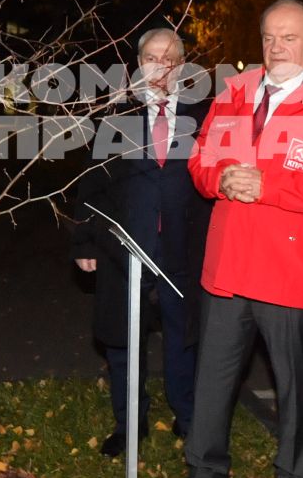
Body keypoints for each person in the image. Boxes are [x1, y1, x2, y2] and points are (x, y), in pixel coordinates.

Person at [163, 0, 303, 478]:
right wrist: (217, 179)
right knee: (213, 375)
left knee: (295, 385)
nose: (278, 47)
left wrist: (271, 185)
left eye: (290, 37)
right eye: (270, 37)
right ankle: (204, 469)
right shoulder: (235, 93)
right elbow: (202, 157)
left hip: (291, 273)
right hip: (228, 264)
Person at [72, 27, 210, 455]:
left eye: (170, 60)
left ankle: (187, 418)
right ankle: (129, 424)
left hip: (182, 254)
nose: (160, 68)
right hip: (125, 250)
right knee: (123, 342)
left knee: (183, 339)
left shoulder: (207, 116)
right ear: (137, 65)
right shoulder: (114, 117)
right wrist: (83, 243)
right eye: (152, 58)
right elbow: (89, 186)